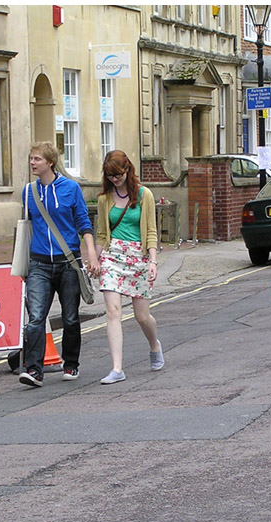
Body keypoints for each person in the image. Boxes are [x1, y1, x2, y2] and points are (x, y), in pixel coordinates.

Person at [19, 142, 100, 387]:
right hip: (39, 264)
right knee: (35, 318)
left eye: (37, 159)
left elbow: (83, 222)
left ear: (50, 163)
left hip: (68, 263)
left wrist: (91, 255)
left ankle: (71, 364)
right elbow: (26, 228)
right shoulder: (27, 192)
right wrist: (23, 265)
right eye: (31, 159)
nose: (33, 163)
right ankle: (34, 370)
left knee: (70, 317)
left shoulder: (71, 189)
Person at [94, 150, 164, 384]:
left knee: (142, 316)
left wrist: (153, 261)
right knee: (113, 312)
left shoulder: (145, 195)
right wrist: (95, 259)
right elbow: (102, 234)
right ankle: (117, 369)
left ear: (127, 170)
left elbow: (151, 231)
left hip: (139, 257)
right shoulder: (104, 199)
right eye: (110, 176)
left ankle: (154, 345)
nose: (115, 179)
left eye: (118, 174)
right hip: (113, 257)